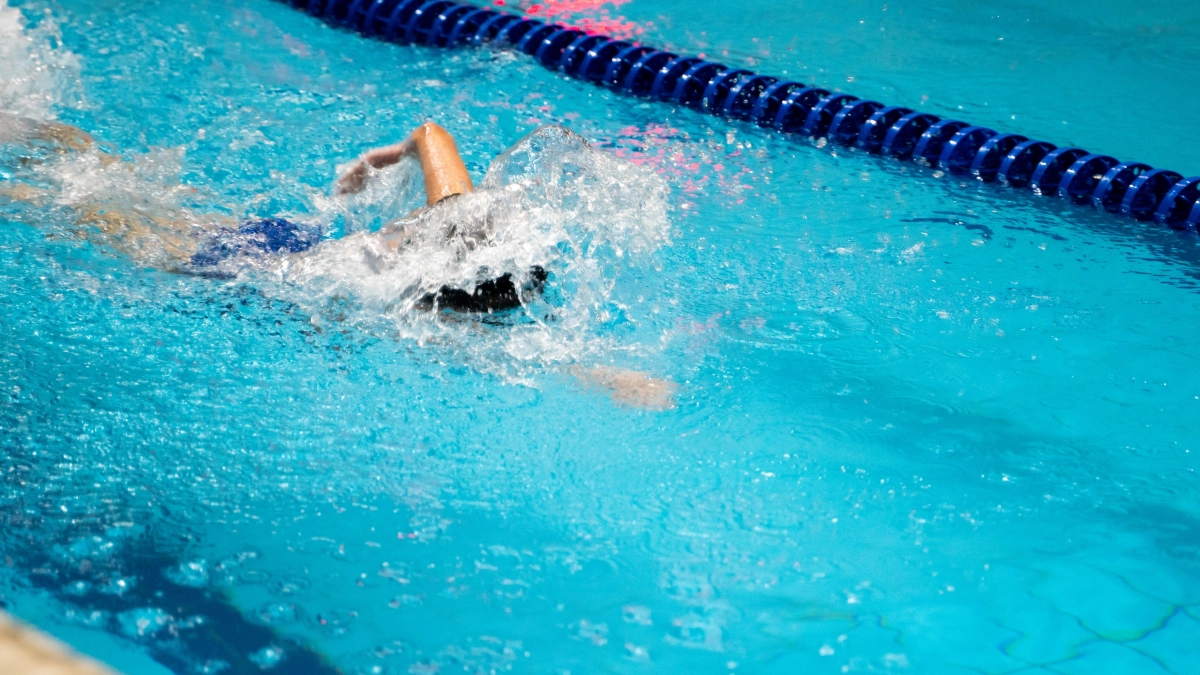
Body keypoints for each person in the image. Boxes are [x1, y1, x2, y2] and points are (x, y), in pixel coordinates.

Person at [1, 115, 677, 409]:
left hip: (283, 238)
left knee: (100, 178)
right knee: (71, 209)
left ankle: (28, 126)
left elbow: (431, 133)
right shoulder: (423, 312)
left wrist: (375, 161)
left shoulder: (459, 218)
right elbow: (522, 362)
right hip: (233, 268)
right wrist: (613, 377)